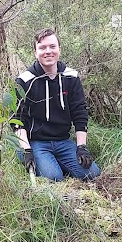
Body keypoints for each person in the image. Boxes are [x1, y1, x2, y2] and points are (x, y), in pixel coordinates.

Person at [13, 28, 101, 182]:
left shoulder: (71, 77)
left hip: (63, 141)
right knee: (54, 177)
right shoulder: (24, 81)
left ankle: (57, 162)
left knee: (92, 173)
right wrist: (26, 149)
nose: (48, 51)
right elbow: (17, 119)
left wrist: (81, 147)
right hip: (37, 142)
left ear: (59, 49)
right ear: (35, 52)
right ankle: (43, 162)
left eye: (52, 46)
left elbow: (80, 113)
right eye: (42, 47)